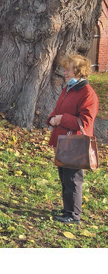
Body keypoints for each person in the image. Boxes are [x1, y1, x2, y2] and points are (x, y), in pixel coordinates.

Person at [47, 54, 98, 224]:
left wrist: (61, 119)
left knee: (73, 180)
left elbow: (85, 121)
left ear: (79, 71)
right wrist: (52, 118)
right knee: (65, 177)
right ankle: (67, 208)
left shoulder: (87, 93)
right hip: (64, 141)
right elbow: (59, 108)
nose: (65, 72)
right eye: (65, 68)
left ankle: (74, 215)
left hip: (75, 143)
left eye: (68, 69)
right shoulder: (68, 88)